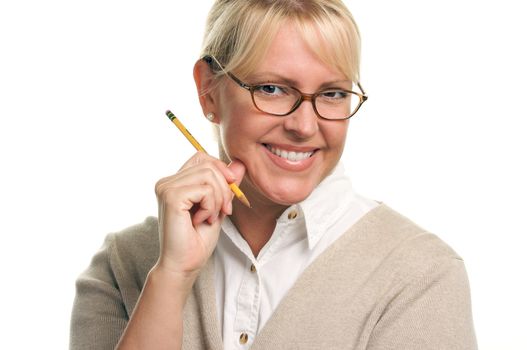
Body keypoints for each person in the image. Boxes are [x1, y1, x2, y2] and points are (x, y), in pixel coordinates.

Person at [70, 1, 477, 349]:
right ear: (208, 90)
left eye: (333, 93)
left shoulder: (420, 275)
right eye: (272, 89)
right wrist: (171, 278)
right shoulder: (123, 265)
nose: (303, 125)